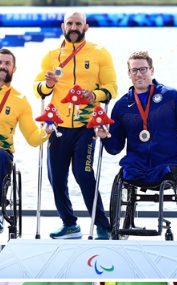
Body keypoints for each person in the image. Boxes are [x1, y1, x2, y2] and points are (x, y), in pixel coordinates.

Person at [33, 11, 117, 240]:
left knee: (84, 174)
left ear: (85, 27)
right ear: (63, 26)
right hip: (58, 127)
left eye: (78, 23)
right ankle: (69, 224)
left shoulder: (100, 53)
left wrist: (95, 94)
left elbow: (112, 87)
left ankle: (102, 225)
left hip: (85, 126)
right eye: (70, 23)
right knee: (56, 177)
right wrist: (47, 85)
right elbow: (38, 88)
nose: (73, 26)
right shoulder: (51, 55)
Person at [96, 51, 177, 190]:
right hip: (136, 166)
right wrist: (106, 137)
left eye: (143, 69)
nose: (138, 74)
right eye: (134, 70)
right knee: (124, 174)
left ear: (151, 70)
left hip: (168, 163)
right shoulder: (122, 106)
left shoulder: (171, 97)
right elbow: (115, 148)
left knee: (167, 169)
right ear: (129, 73)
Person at [0, 48, 55, 234]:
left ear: (14, 69)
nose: (2, 66)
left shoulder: (19, 100)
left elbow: (32, 138)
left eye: (7, 63)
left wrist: (46, 131)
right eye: (0, 62)